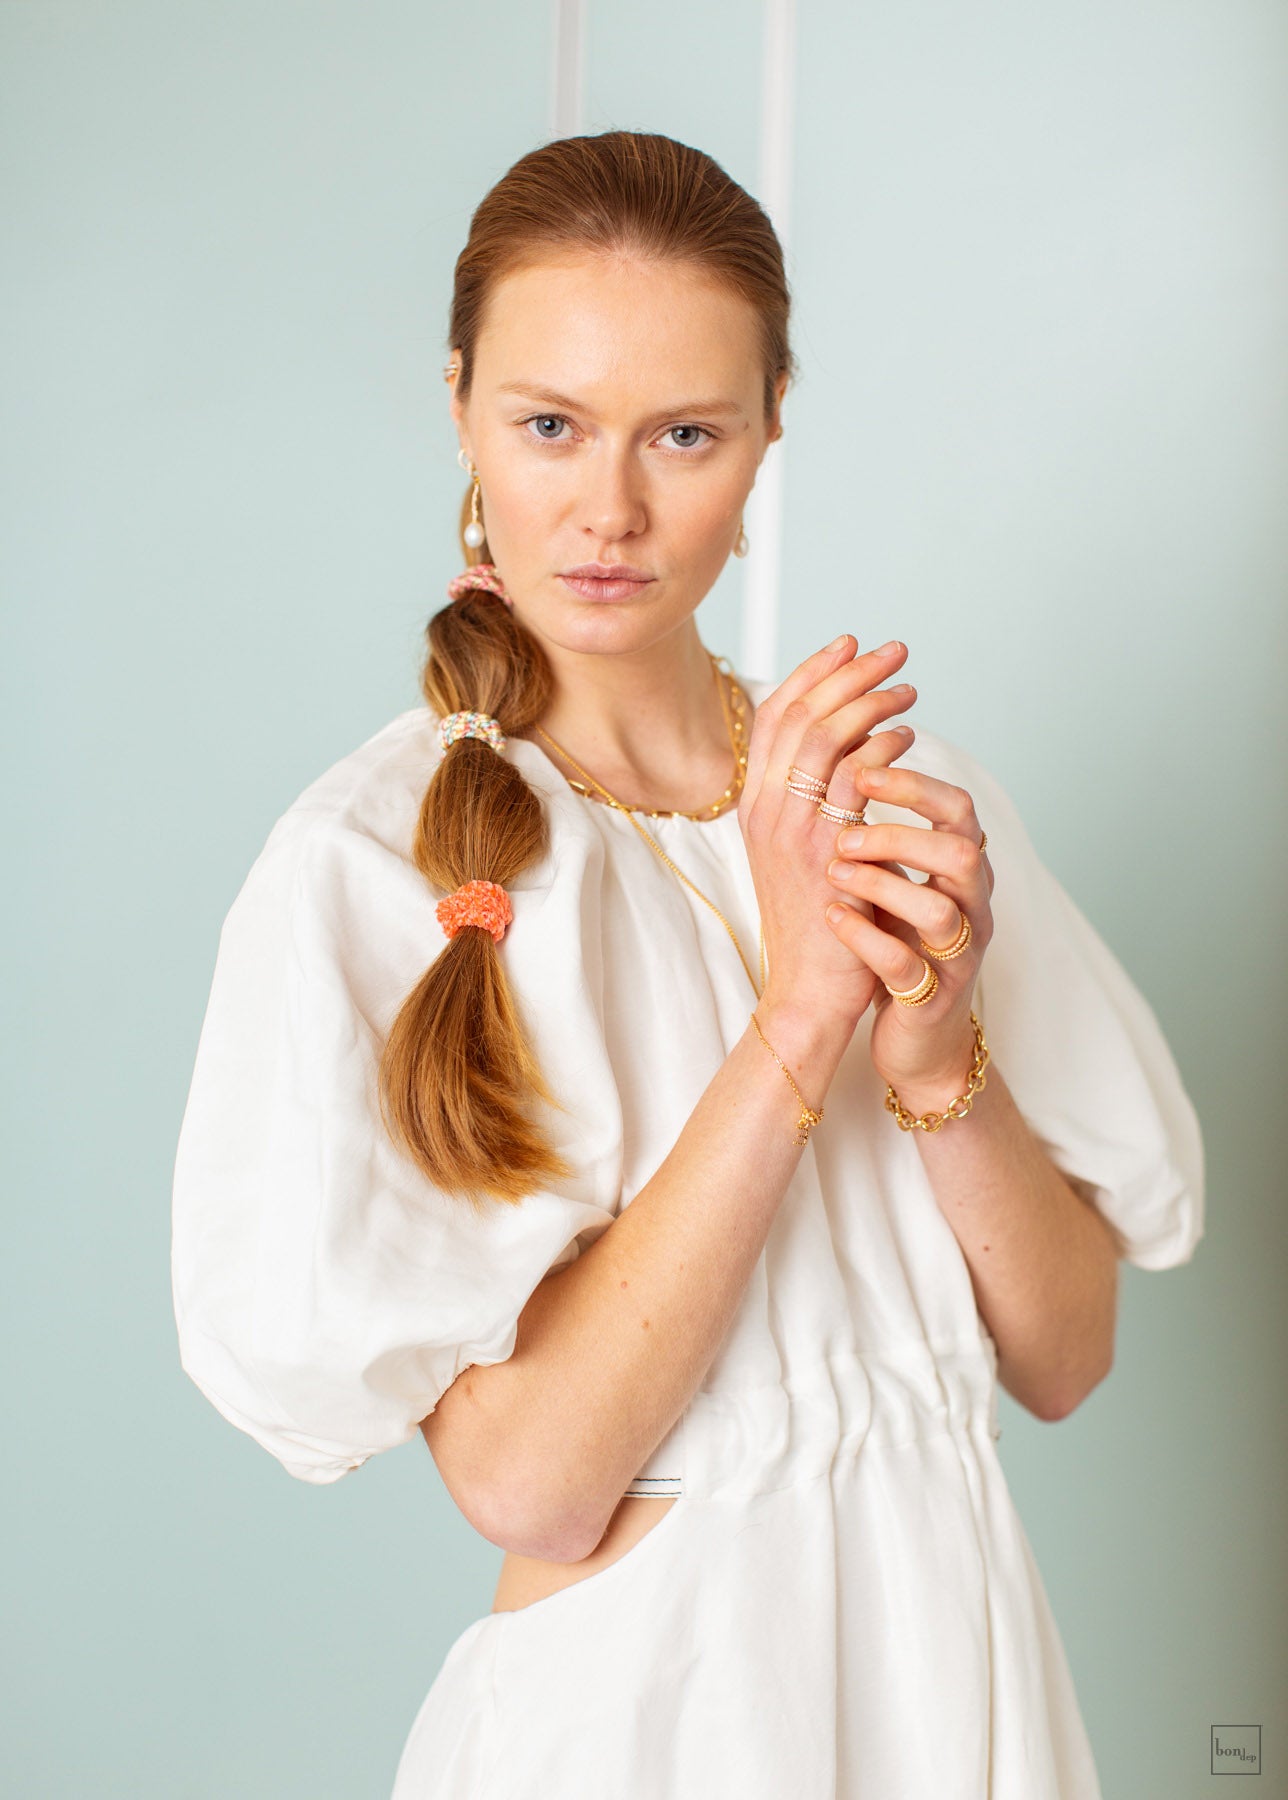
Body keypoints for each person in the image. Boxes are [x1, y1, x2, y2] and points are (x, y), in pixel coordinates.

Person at [170, 131, 1205, 1798]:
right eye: (551, 424)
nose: (611, 508)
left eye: (687, 435)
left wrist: (937, 1067)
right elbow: (530, 1485)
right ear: (458, 408)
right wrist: (802, 1023)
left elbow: (1065, 1358)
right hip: (659, 1721)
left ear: (771, 427)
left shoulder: (896, 807)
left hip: (966, 1684)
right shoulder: (374, 866)